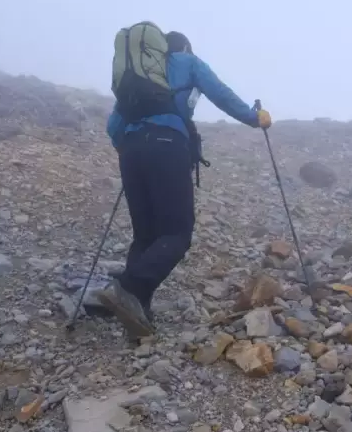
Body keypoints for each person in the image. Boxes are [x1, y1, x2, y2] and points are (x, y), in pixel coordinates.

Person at [97, 31, 272, 338]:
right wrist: (253, 117)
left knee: (145, 236)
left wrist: (133, 145)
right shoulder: (187, 62)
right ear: (184, 48)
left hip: (131, 153)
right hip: (167, 146)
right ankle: (125, 289)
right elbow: (219, 92)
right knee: (177, 233)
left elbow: (114, 127)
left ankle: (136, 311)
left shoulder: (137, 78)